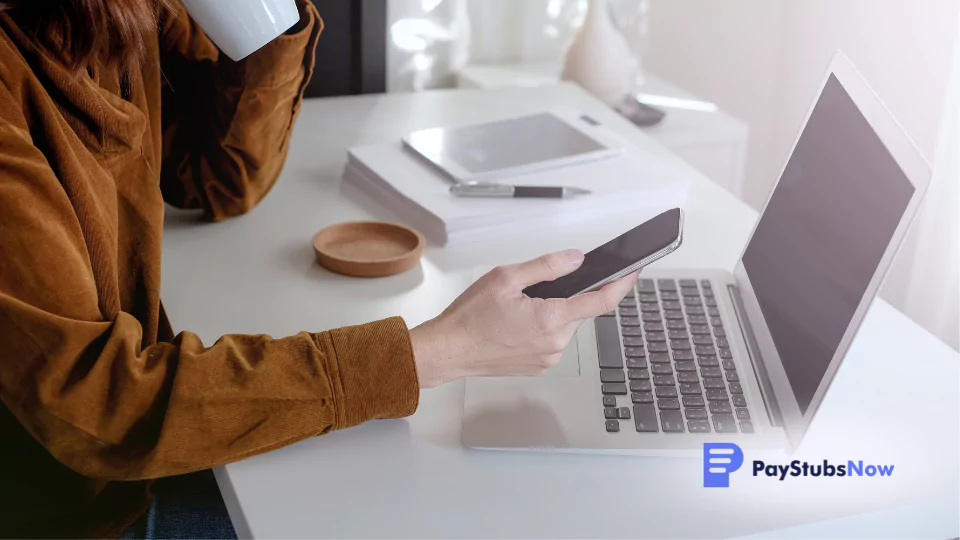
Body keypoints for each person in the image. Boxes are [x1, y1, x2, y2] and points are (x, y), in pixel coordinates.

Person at [0, 0, 635, 538]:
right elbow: (93, 403)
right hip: (83, 512)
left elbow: (219, 182)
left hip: (126, 464)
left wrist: (268, 24)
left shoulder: (111, 14)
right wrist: (438, 352)